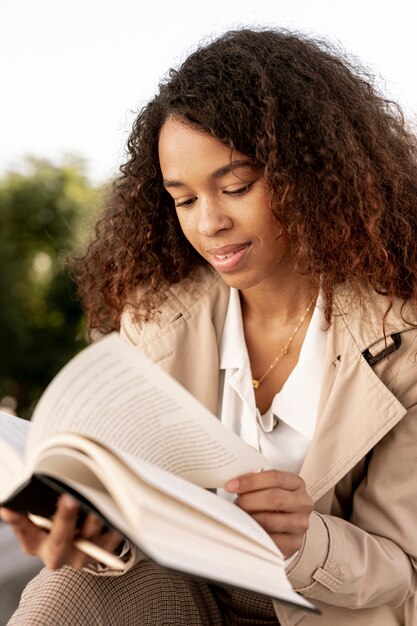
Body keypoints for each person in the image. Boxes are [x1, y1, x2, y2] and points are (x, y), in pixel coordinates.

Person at [2, 27, 417, 626]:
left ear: (311, 175)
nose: (210, 223)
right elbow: (137, 523)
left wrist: (304, 540)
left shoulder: (402, 339)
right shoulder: (155, 321)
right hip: (191, 597)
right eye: (184, 199)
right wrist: (87, 538)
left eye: (235, 187)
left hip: (329, 611)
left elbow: (403, 569)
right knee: (61, 591)